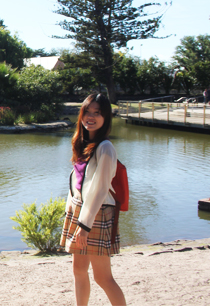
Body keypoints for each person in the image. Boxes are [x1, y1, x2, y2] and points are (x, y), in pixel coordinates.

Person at [60, 93, 126, 306]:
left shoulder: (105, 148)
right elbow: (79, 183)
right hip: (80, 212)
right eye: (87, 112)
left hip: (95, 215)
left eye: (97, 113)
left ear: (106, 117)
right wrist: (71, 211)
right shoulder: (82, 143)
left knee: (102, 277)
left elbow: (99, 190)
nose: (91, 117)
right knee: (78, 270)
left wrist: (84, 226)